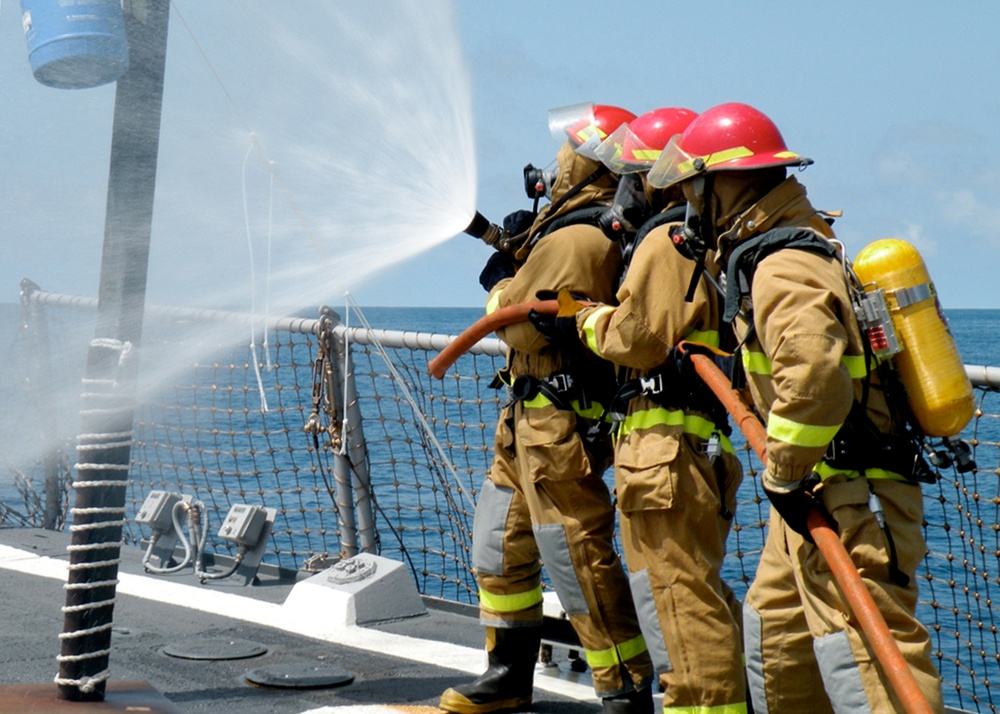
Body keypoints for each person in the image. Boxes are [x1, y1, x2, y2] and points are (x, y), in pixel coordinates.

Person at [646, 101, 944, 713]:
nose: (689, 205)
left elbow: (814, 375)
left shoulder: (780, 265)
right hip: (814, 495)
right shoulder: (783, 253)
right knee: (775, 636)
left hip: (845, 500)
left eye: (694, 188)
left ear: (722, 186)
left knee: (865, 663)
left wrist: (780, 468)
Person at [439, 103, 655, 714]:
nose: (557, 159)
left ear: (592, 159)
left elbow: (524, 329)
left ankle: (625, 694)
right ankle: (508, 673)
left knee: (577, 557)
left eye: (569, 148)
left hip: (559, 424)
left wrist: (502, 286)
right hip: (525, 418)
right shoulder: (559, 227)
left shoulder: (583, 238)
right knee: (498, 544)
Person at [556, 107, 751, 713]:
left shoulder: (666, 241)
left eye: (635, 175)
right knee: (683, 596)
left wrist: (584, 318)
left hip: (665, 448)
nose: (626, 190)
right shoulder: (690, 235)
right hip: (677, 446)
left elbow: (638, 337)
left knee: (679, 603)